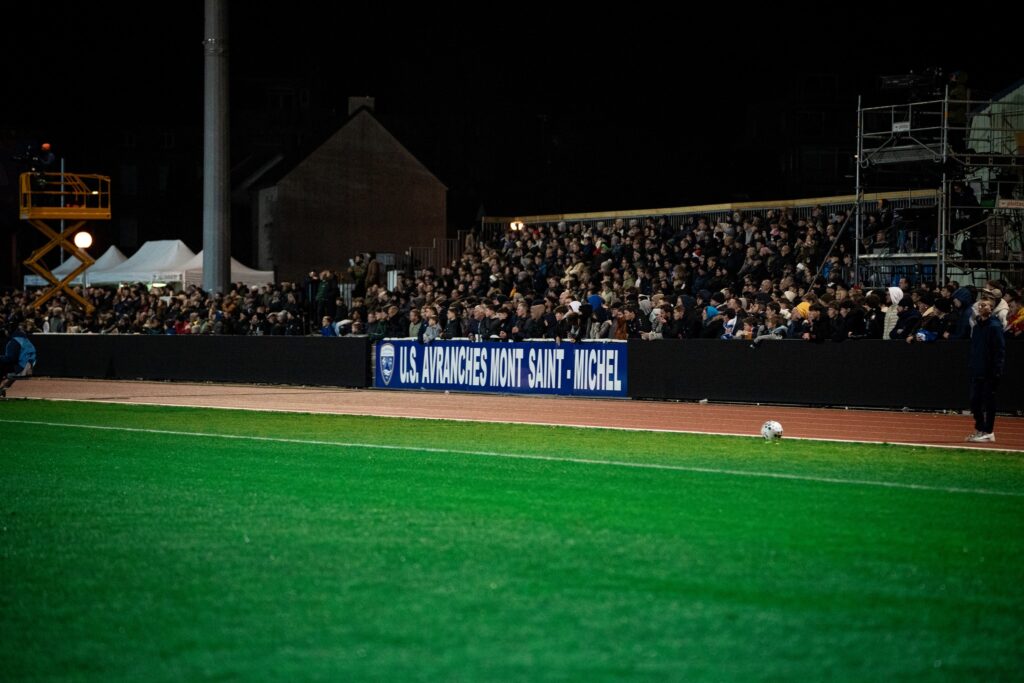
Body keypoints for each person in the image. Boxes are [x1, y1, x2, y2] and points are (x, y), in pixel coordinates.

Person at [966, 298, 1005, 442]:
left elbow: (999, 350)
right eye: (980, 305)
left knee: (989, 402)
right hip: (977, 369)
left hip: (989, 371)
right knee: (974, 401)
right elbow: (975, 349)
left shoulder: (994, 326)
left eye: (985, 305)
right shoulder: (977, 327)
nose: (981, 308)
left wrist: (997, 370)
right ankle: (981, 428)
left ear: (991, 308)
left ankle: (988, 431)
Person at [0, 326, 38, 399]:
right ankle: (2, 389)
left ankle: (1, 390)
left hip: (21, 368)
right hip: (28, 368)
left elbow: (11, 358)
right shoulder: (26, 340)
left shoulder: (14, 341)